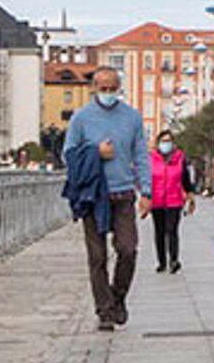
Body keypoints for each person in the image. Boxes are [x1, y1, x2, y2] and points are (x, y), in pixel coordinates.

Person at [63, 67, 151, 331]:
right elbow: (68, 153)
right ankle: (104, 310)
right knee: (97, 256)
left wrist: (145, 191)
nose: (108, 93)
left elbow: (141, 156)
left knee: (127, 249)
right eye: (103, 88)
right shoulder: (81, 118)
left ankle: (118, 297)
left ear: (119, 88)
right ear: (94, 88)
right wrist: (95, 152)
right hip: (93, 195)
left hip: (124, 193)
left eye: (113, 88)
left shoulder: (132, 118)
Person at [147, 129, 196, 274]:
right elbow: (146, 179)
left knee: (172, 230)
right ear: (158, 143)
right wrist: (145, 197)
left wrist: (190, 194)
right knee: (159, 232)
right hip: (156, 200)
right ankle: (161, 261)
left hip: (174, 200)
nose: (166, 144)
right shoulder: (152, 159)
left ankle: (174, 260)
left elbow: (185, 178)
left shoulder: (180, 158)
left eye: (168, 141)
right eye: (163, 141)